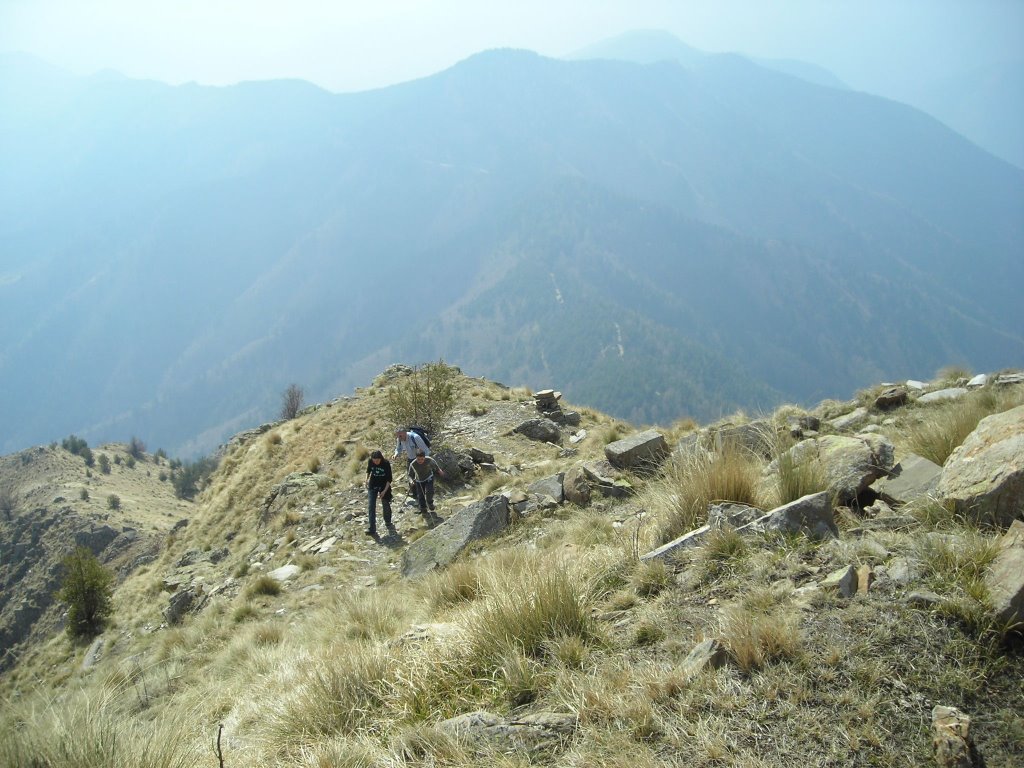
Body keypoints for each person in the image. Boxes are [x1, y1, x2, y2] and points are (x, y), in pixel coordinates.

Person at [408, 448, 445, 520]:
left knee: (429, 491)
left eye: (422, 459)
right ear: (416, 458)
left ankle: (430, 503)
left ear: (424, 457)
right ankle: (423, 509)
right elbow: (409, 475)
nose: (420, 461)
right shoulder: (413, 464)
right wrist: (411, 481)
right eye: (418, 459)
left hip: (429, 477)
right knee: (420, 495)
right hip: (419, 481)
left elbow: (435, 464)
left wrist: (439, 470)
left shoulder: (429, 459)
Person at [364, 450, 393, 536]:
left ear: (381, 458)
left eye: (377, 460)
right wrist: (366, 480)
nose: (375, 462)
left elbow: (389, 479)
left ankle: (388, 521)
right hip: (373, 484)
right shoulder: (370, 461)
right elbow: (368, 471)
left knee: (385, 503)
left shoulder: (386, 463)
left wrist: (384, 491)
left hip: (384, 484)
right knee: (371, 506)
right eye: (374, 460)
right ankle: (372, 528)